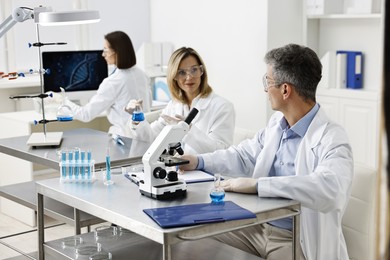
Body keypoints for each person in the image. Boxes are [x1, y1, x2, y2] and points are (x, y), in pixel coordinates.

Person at [180, 44, 354, 260]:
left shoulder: (332, 138)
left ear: (285, 90)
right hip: (255, 226)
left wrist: (258, 186)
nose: (265, 89)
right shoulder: (276, 125)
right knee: (190, 236)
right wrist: (197, 161)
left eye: (268, 81)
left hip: (294, 238)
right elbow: (243, 155)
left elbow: (331, 190)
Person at [125, 47, 235, 154]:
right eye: (182, 72)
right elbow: (151, 137)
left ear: (202, 71)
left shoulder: (223, 107)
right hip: (181, 169)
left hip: (207, 171)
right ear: (174, 77)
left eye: (194, 70)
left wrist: (187, 130)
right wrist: (137, 117)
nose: (189, 77)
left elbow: (220, 151)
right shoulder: (174, 105)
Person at [63, 31, 152, 137]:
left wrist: (63, 101)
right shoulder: (142, 74)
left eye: (105, 50)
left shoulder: (114, 82)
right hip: (145, 136)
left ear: (116, 52)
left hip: (125, 139)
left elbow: (85, 114)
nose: (103, 54)